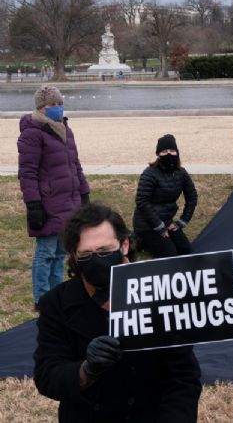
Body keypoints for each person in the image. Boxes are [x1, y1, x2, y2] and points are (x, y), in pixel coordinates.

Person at [33, 203, 202, 422]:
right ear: (74, 256)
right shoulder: (55, 304)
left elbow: (182, 377)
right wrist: (86, 370)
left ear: (124, 245)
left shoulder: (160, 292)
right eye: (85, 255)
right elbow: (47, 377)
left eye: (104, 251)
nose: (96, 261)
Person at [17, 85, 90, 310]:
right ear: (41, 107)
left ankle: (56, 294)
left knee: (61, 253)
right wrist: (34, 204)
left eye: (60, 103)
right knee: (45, 253)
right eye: (52, 105)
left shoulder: (66, 130)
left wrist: (84, 192)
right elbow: (27, 172)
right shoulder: (32, 133)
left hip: (69, 200)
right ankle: (42, 298)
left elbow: (74, 164)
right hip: (48, 202)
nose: (58, 108)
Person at [133, 134, 198, 258]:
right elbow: (141, 201)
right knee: (170, 254)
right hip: (146, 224)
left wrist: (182, 221)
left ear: (177, 153)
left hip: (167, 221)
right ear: (158, 154)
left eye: (172, 151)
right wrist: (159, 226)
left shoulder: (181, 173)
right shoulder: (149, 173)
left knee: (185, 249)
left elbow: (192, 196)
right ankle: (139, 240)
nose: (169, 154)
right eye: (164, 151)